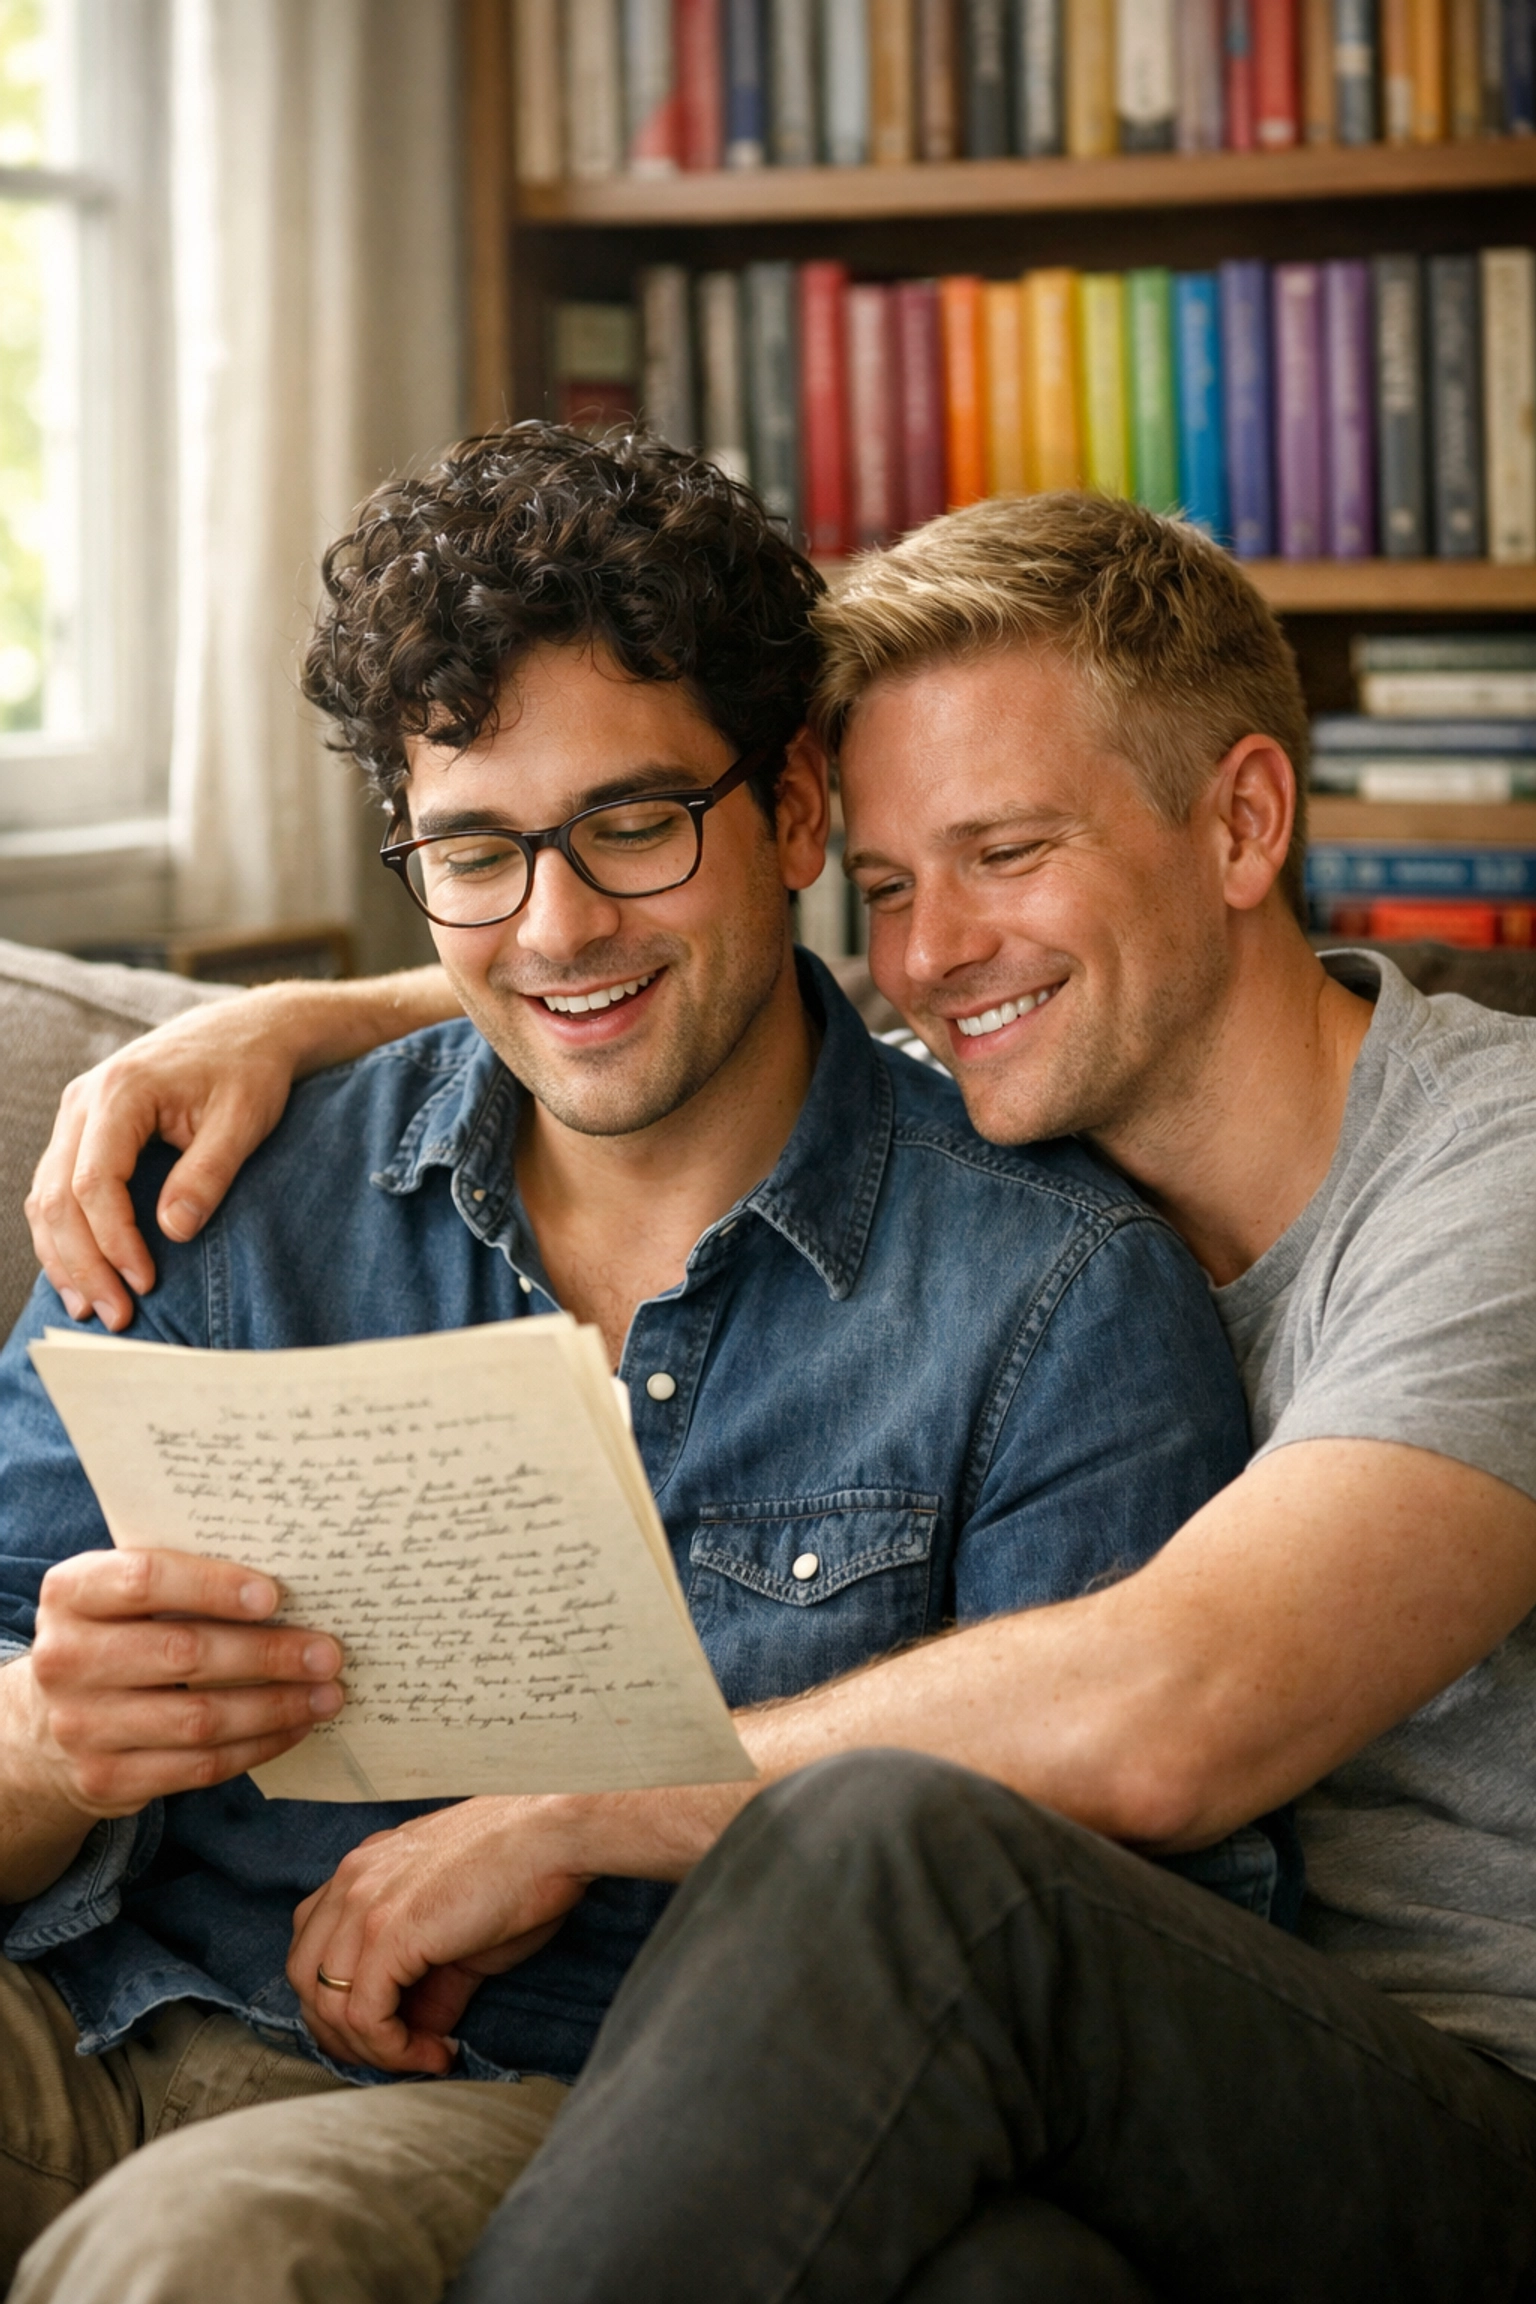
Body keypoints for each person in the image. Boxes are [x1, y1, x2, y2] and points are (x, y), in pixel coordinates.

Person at [33, 490, 1536, 2300]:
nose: (931, 952)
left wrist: (573, 1810)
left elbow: (1176, 1705)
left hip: (1466, 2098)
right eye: (892, 889)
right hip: (1096, 2060)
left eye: (1005, 852)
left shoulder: (1491, 1179)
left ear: (1243, 821)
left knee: (897, 1843)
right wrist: (295, 1018)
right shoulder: (973, 1067)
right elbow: (633, 973)